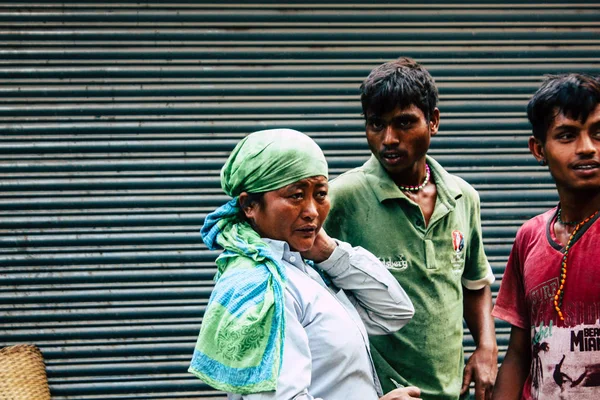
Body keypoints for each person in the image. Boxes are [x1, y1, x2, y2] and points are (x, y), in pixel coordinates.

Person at [189, 128, 419, 400]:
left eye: (320, 194)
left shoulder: (305, 268)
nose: (312, 211)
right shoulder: (264, 286)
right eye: (296, 195)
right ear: (249, 205)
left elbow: (395, 312)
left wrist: (329, 253)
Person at [324, 57, 498, 400]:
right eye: (376, 124)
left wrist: (487, 346)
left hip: (454, 392)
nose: (388, 138)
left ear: (432, 121)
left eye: (404, 123)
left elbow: (474, 284)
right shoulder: (341, 197)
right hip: (380, 393)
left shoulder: (463, 197)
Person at [492, 74, 600, 400]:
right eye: (567, 135)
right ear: (539, 149)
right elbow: (519, 354)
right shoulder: (530, 238)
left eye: (598, 133)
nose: (586, 148)